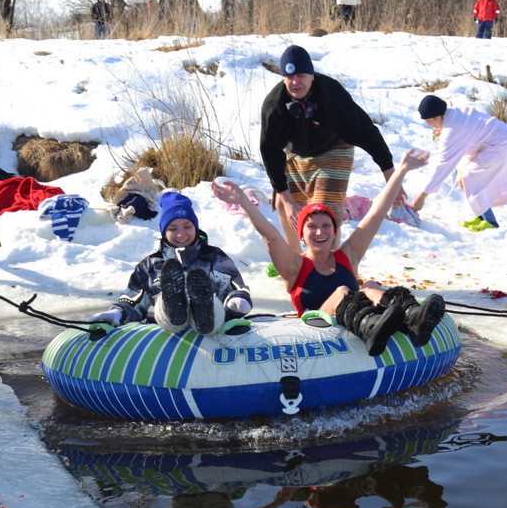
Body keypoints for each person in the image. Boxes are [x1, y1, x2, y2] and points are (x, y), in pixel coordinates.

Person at [213, 150, 445, 356]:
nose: (319, 232)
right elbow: (271, 236)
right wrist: (244, 201)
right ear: (302, 235)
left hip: (356, 318)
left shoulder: (347, 256)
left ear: (334, 232)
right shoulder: (295, 266)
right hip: (316, 328)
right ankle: (372, 326)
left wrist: (401, 170)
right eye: (311, 227)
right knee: (343, 290)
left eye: (326, 226)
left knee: (370, 285)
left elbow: (376, 213)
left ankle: (413, 316)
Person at [259, 45, 405, 253]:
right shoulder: (274, 105)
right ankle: (295, 259)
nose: (295, 82)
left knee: (323, 210)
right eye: (289, 77)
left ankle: (331, 263)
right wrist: (287, 198)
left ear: (312, 76)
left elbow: (367, 132)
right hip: (295, 153)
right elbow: (270, 152)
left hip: (334, 146)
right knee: (284, 205)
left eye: (300, 75)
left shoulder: (332, 94)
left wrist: (391, 177)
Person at [88, 191, 252, 335]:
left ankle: (203, 312)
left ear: (195, 228)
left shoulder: (215, 257)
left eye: (187, 226)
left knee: (212, 310)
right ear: (164, 232)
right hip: (167, 336)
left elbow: (236, 287)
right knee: (166, 311)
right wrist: (119, 312)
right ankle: (173, 306)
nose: (181, 234)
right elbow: (134, 299)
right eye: (173, 229)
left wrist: (237, 301)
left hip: (211, 330)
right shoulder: (150, 265)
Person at [411, 95, 507, 231]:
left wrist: (422, 195)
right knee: (463, 178)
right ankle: (483, 216)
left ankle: (490, 222)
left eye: (429, 120)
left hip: (504, 146)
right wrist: (443, 129)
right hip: (505, 140)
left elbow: (444, 165)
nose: (428, 124)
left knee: (469, 176)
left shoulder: (452, 131)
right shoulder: (455, 114)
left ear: (438, 116)